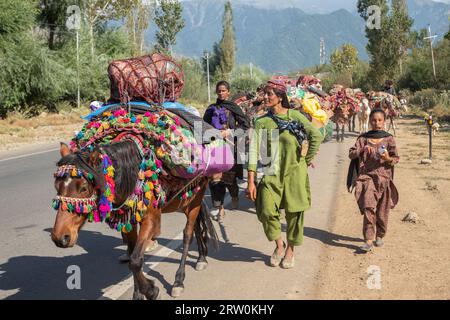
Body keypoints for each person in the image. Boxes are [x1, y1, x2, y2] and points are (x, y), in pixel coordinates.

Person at [247, 80, 323, 269]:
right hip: (271, 172)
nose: (265, 97)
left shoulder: (295, 116)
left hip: (294, 172)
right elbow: (255, 151)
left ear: (280, 97)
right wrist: (251, 181)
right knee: (266, 210)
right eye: (264, 94)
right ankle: (278, 244)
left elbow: (316, 136)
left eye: (269, 94)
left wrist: (305, 160)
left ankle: (290, 249)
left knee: (294, 214)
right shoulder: (262, 122)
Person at [348, 108, 399, 252]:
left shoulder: (389, 139)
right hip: (367, 178)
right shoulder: (363, 138)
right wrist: (362, 150)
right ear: (370, 121)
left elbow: (395, 159)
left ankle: (380, 236)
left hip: (384, 179)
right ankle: (368, 240)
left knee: (382, 211)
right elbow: (351, 154)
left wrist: (387, 158)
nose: (377, 123)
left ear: (384, 121)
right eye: (374, 120)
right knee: (368, 207)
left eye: (380, 120)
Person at [203, 81, 251, 221]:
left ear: (228, 92)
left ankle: (234, 195)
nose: (221, 93)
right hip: (215, 147)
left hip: (231, 147)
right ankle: (220, 208)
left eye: (224, 91)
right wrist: (211, 134)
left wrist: (229, 132)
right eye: (219, 91)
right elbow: (203, 127)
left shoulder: (233, 108)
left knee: (229, 179)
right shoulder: (211, 109)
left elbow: (245, 125)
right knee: (215, 179)